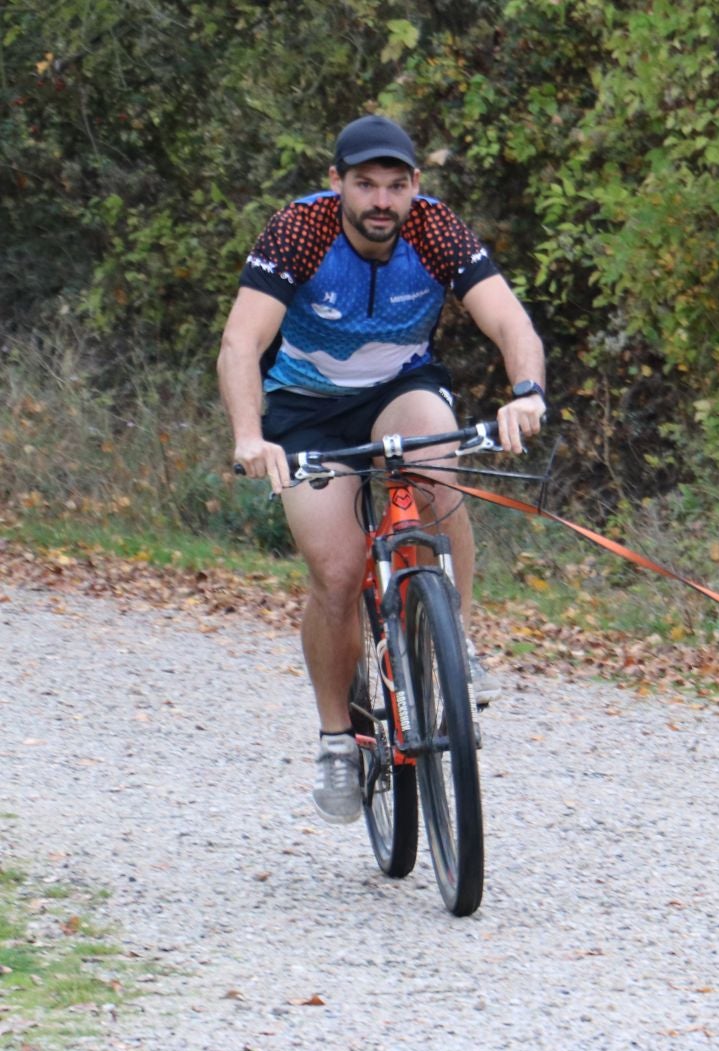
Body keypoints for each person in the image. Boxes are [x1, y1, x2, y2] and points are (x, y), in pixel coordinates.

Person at [217, 115, 546, 824]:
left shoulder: (435, 229)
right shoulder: (299, 232)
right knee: (335, 573)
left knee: (437, 463)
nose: (381, 201)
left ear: (414, 189)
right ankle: (338, 739)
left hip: (400, 392)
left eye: (396, 187)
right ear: (336, 183)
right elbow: (241, 342)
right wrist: (251, 437)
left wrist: (527, 394)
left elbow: (511, 322)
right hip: (305, 411)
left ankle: (452, 642)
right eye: (365, 185)